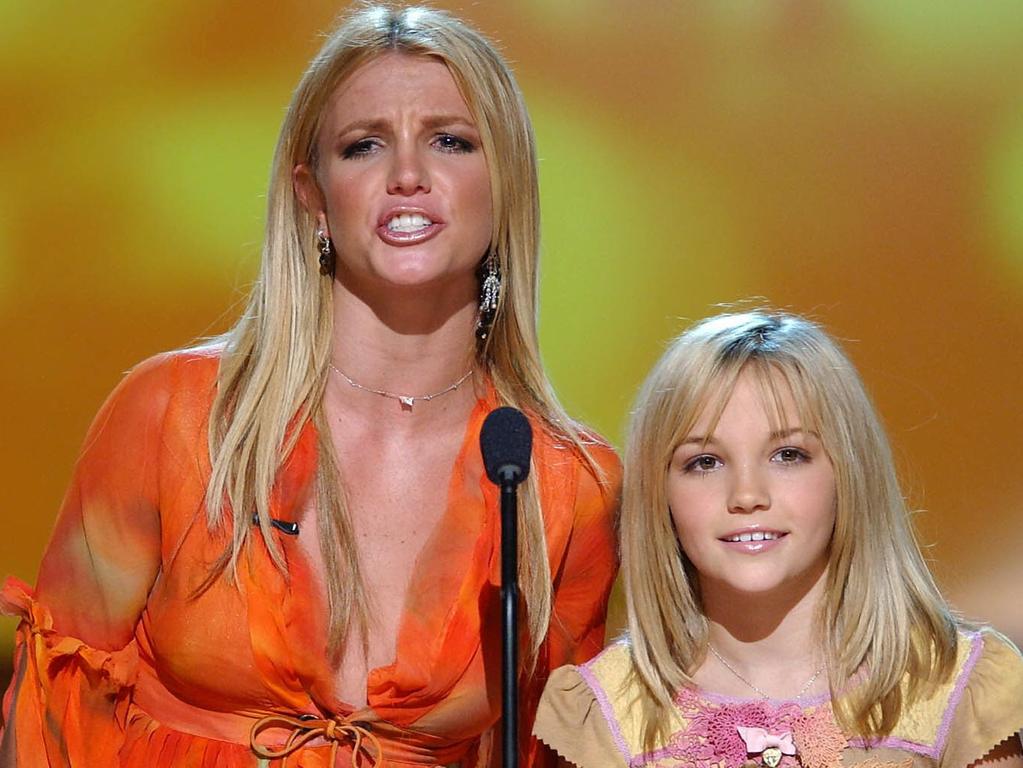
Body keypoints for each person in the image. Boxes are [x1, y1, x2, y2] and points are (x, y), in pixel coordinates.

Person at [0, 5, 620, 767]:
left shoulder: (567, 486)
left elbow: (543, 752)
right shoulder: (177, 414)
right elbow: (52, 717)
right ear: (313, 195)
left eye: (451, 141)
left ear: (506, 183)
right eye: (364, 146)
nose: (406, 177)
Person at [534, 310, 1023, 768]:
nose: (747, 495)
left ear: (849, 473)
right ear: (659, 494)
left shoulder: (952, 686)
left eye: (788, 455)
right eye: (704, 462)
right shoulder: (609, 714)